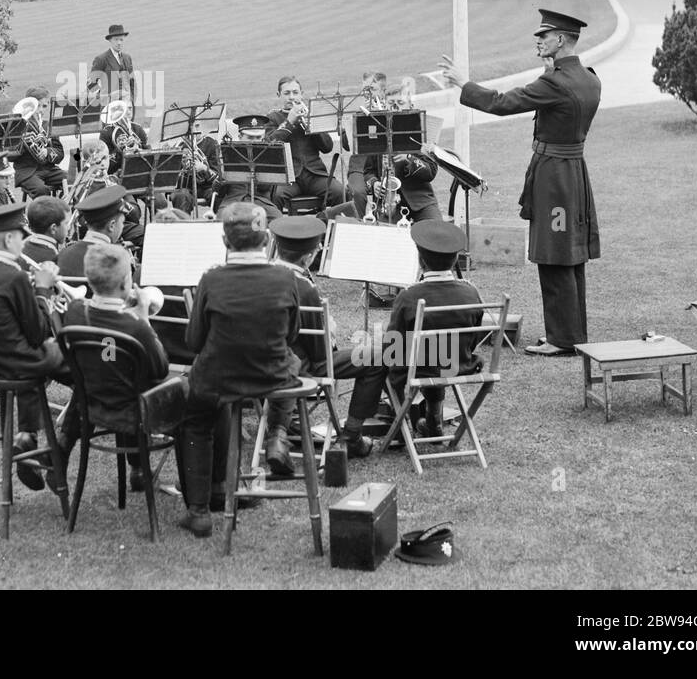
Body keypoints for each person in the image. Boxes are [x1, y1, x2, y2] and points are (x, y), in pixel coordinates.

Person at [439, 8, 600, 356]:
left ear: (561, 40)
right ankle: (571, 333)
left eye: (544, 36)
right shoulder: (589, 78)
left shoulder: (555, 83)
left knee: (554, 253)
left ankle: (562, 340)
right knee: (570, 255)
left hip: (554, 176)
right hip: (572, 172)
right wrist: (551, 70)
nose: (538, 40)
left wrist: (462, 83)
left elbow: (501, 103)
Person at [177, 202, 303, 538]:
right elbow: (292, 334)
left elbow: (193, 341)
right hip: (271, 376)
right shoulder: (285, 277)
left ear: (224, 239)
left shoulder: (211, 279)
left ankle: (200, 510)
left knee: (196, 420)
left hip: (218, 377)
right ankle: (277, 432)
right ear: (266, 241)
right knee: (294, 362)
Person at [0, 201, 71, 491]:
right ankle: (58, 447)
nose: (24, 241)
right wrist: (42, 288)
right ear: (9, 239)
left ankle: (27, 437)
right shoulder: (13, 276)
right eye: (21, 236)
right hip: (17, 365)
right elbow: (39, 332)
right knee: (81, 365)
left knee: (49, 364)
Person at [264, 216, 385, 473]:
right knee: (377, 358)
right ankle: (352, 435)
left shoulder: (257, 275)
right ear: (308, 257)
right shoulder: (304, 287)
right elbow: (320, 354)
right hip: (301, 367)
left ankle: (286, 425)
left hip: (257, 364)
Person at [60, 242, 171, 493]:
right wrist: (143, 318)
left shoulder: (75, 312)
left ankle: (138, 470)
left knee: (110, 369)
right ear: (125, 283)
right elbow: (160, 369)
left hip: (93, 405)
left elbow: (107, 350)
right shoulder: (135, 326)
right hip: (136, 412)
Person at [383, 220, 486, 439]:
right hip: (460, 364)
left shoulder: (409, 296)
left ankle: (401, 427)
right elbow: (475, 334)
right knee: (435, 354)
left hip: (423, 368)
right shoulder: (471, 292)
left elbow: (393, 344)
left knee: (387, 363)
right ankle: (433, 421)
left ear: (420, 260)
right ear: (456, 258)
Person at [266, 76, 347, 210]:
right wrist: (289, 122)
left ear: (301, 94)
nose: (291, 97)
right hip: (288, 177)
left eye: (295, 92)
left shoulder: (311, 115)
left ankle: (335, 228)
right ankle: (279, 230)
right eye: (286, 93)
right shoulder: (273, 117)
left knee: (341, 192)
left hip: (315, 174)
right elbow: (270, 147)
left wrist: (312, 122)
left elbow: (327, 147)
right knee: (276, 197)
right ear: (278, 95)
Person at [58, 185, 129, 279]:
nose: (122, 226)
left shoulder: (63, 254)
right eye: (122, 222)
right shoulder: (116, 259)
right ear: (112, 225)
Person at [11, 87, 66, 198]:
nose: (41, 110)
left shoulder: (48, 126)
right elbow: (10, 157)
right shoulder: (17, 127)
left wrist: (47, 152)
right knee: (41, 190)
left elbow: (60, 154)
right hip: (26, 172)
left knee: (72, 179)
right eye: (37, 106)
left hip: (49, 170)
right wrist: (22, 142)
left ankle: (62, 209)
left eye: (44, 106)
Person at [89, 23, 136, 105]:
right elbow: (91, 83)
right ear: (110, 40)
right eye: (116, 39)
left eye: (121, 40)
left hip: (127, 105)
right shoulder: (101, 59)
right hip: (109, 107)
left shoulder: (127, 58)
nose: (119, 43)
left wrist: (131, 99)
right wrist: (102, 95)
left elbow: (131, 81)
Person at [22, 196, 71, 266]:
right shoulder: (55, 260)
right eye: (66, 223)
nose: (68, 228)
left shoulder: (21, 247)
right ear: (53, 228)